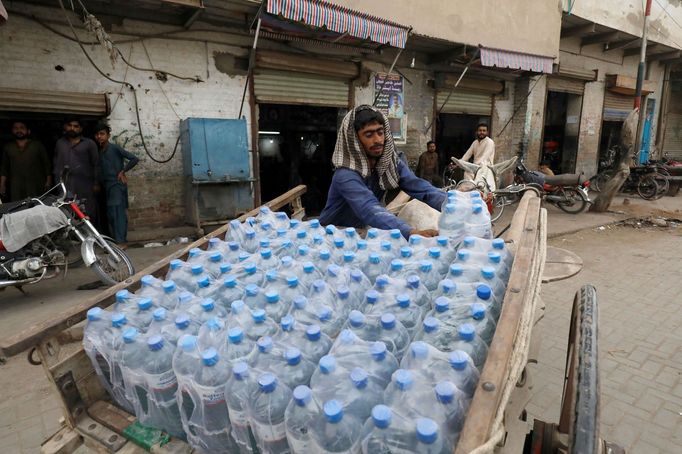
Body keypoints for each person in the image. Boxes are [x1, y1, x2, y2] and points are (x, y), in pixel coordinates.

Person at [319, 105, 446, 238]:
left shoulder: (389, 164)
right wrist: (411, 232)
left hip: (359, 231)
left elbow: (419, 187)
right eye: (369, 135)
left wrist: (451, 204)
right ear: (354, 140)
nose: (378, 140)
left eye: (380, 132)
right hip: (333, 234)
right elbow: (370, 209)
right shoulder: (345, 175)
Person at [94, 123, 139, 244]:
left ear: (108, 135)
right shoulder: (100, 152)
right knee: (111, 214)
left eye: (102, 134)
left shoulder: (114, 148)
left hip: (116, 185)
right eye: (97, 134)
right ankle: (117, 240)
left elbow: (134, 158)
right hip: (107, 186)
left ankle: (121, 242)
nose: (99, 136)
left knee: (117, 213)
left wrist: (123, 171)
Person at [53, 118, 100, 220]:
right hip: (65, 186)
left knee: (87, 213)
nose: (72, 128)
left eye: (76, 126)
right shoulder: (60, 143)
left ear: (81, 129)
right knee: (67, 214)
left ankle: (91, 235)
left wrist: (96, 183)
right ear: (66, 127)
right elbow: (56, 164)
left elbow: (96, 164)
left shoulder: (89, 144)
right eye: (70, 125)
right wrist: (58, 183)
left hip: (85, 185)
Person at [0, 121, 52, 201]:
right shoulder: (8, 147)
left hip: (35, 184)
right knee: (17, 208)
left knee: (36, 206)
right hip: (16, 186)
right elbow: (4, 168)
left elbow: (47, 164)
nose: (19, 130)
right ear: (12, 131)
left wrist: (48, 181)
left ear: (28, 131)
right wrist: (2, 185)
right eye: (16, 128)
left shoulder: (37, 145)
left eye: (22, 128)